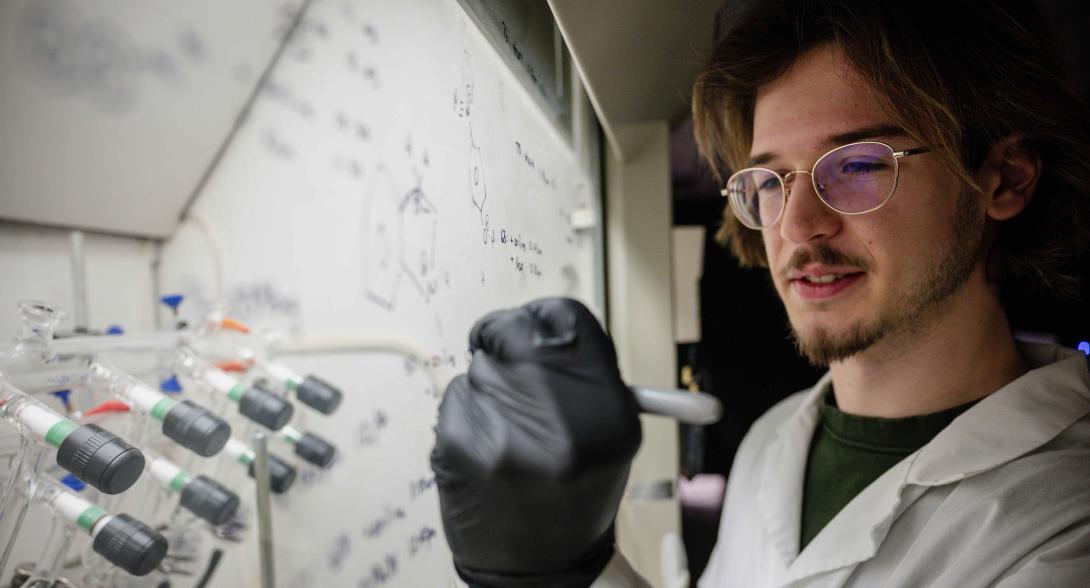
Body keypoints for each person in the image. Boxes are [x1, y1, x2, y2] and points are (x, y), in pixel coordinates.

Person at [431, 0, 1090, 586]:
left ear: (1004, 179)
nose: (798, 226)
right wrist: (572, 561)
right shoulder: (774, 442)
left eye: (857, 165)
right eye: (770, 182)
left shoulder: (1065, 525)